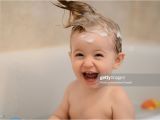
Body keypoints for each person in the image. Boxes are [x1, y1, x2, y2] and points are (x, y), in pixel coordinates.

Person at [49, 0, 135, 119]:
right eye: (80, 55)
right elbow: (58, 116)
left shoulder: (116, 97)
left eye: (98, 55)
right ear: (71, 58)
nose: (88, 63)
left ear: (117, 61)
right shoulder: (72, 90)